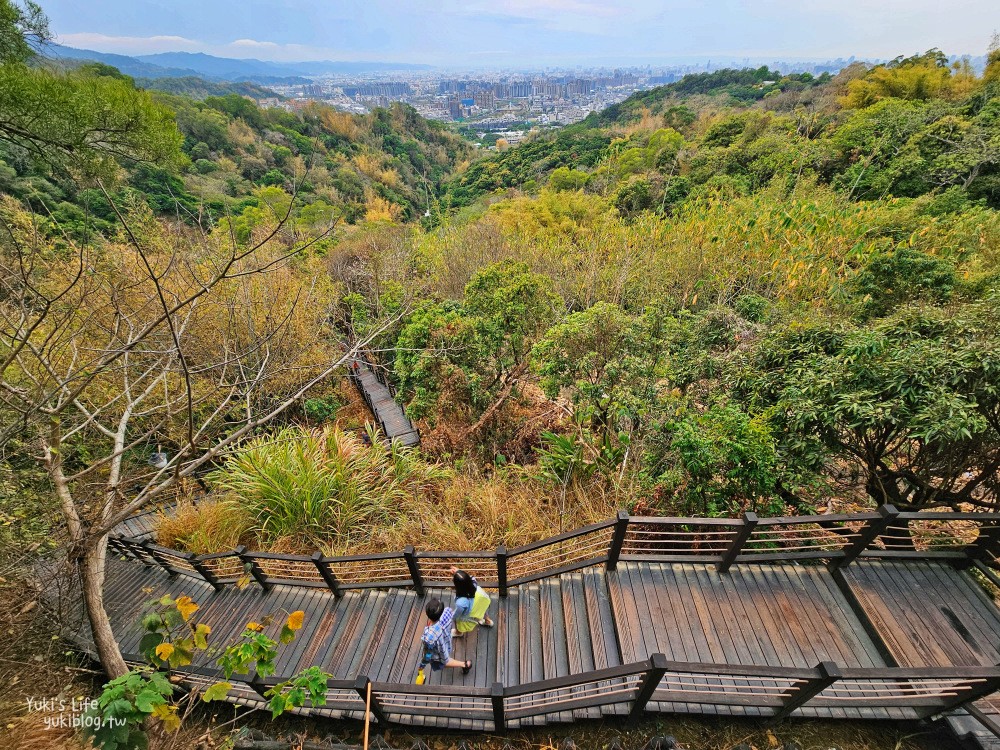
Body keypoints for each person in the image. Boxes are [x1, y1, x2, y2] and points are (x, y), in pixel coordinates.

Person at [419, 598, 472, 678]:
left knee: (443, 663)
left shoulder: (429, 637)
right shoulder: (447, 611)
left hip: (440, 650)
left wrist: (422, 665)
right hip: (446, 641)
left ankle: (464, 664)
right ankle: (463, 664)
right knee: (445, 657)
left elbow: (428, 655)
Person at [450, 567, 494, 635]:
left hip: (470, 610)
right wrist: (459, 572)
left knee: (457, 620)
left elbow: (458, 614)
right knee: (482, 609)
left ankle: (458, 632)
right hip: (479, 599)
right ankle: (487, 621)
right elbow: (468, 578)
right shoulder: (473, 582)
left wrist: (451, 617)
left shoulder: (461, 602)